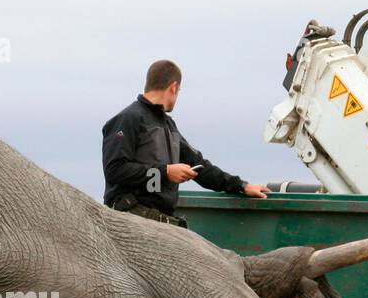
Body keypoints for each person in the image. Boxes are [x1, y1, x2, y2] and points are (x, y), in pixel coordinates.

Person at [101, 59, 268, 228]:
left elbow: (199, 166)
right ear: (173, 87)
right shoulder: (128, 119)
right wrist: (165, 172)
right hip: (131, 221)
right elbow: (114, 170)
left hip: (161, 222)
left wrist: (241, 185)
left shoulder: (168, 126)